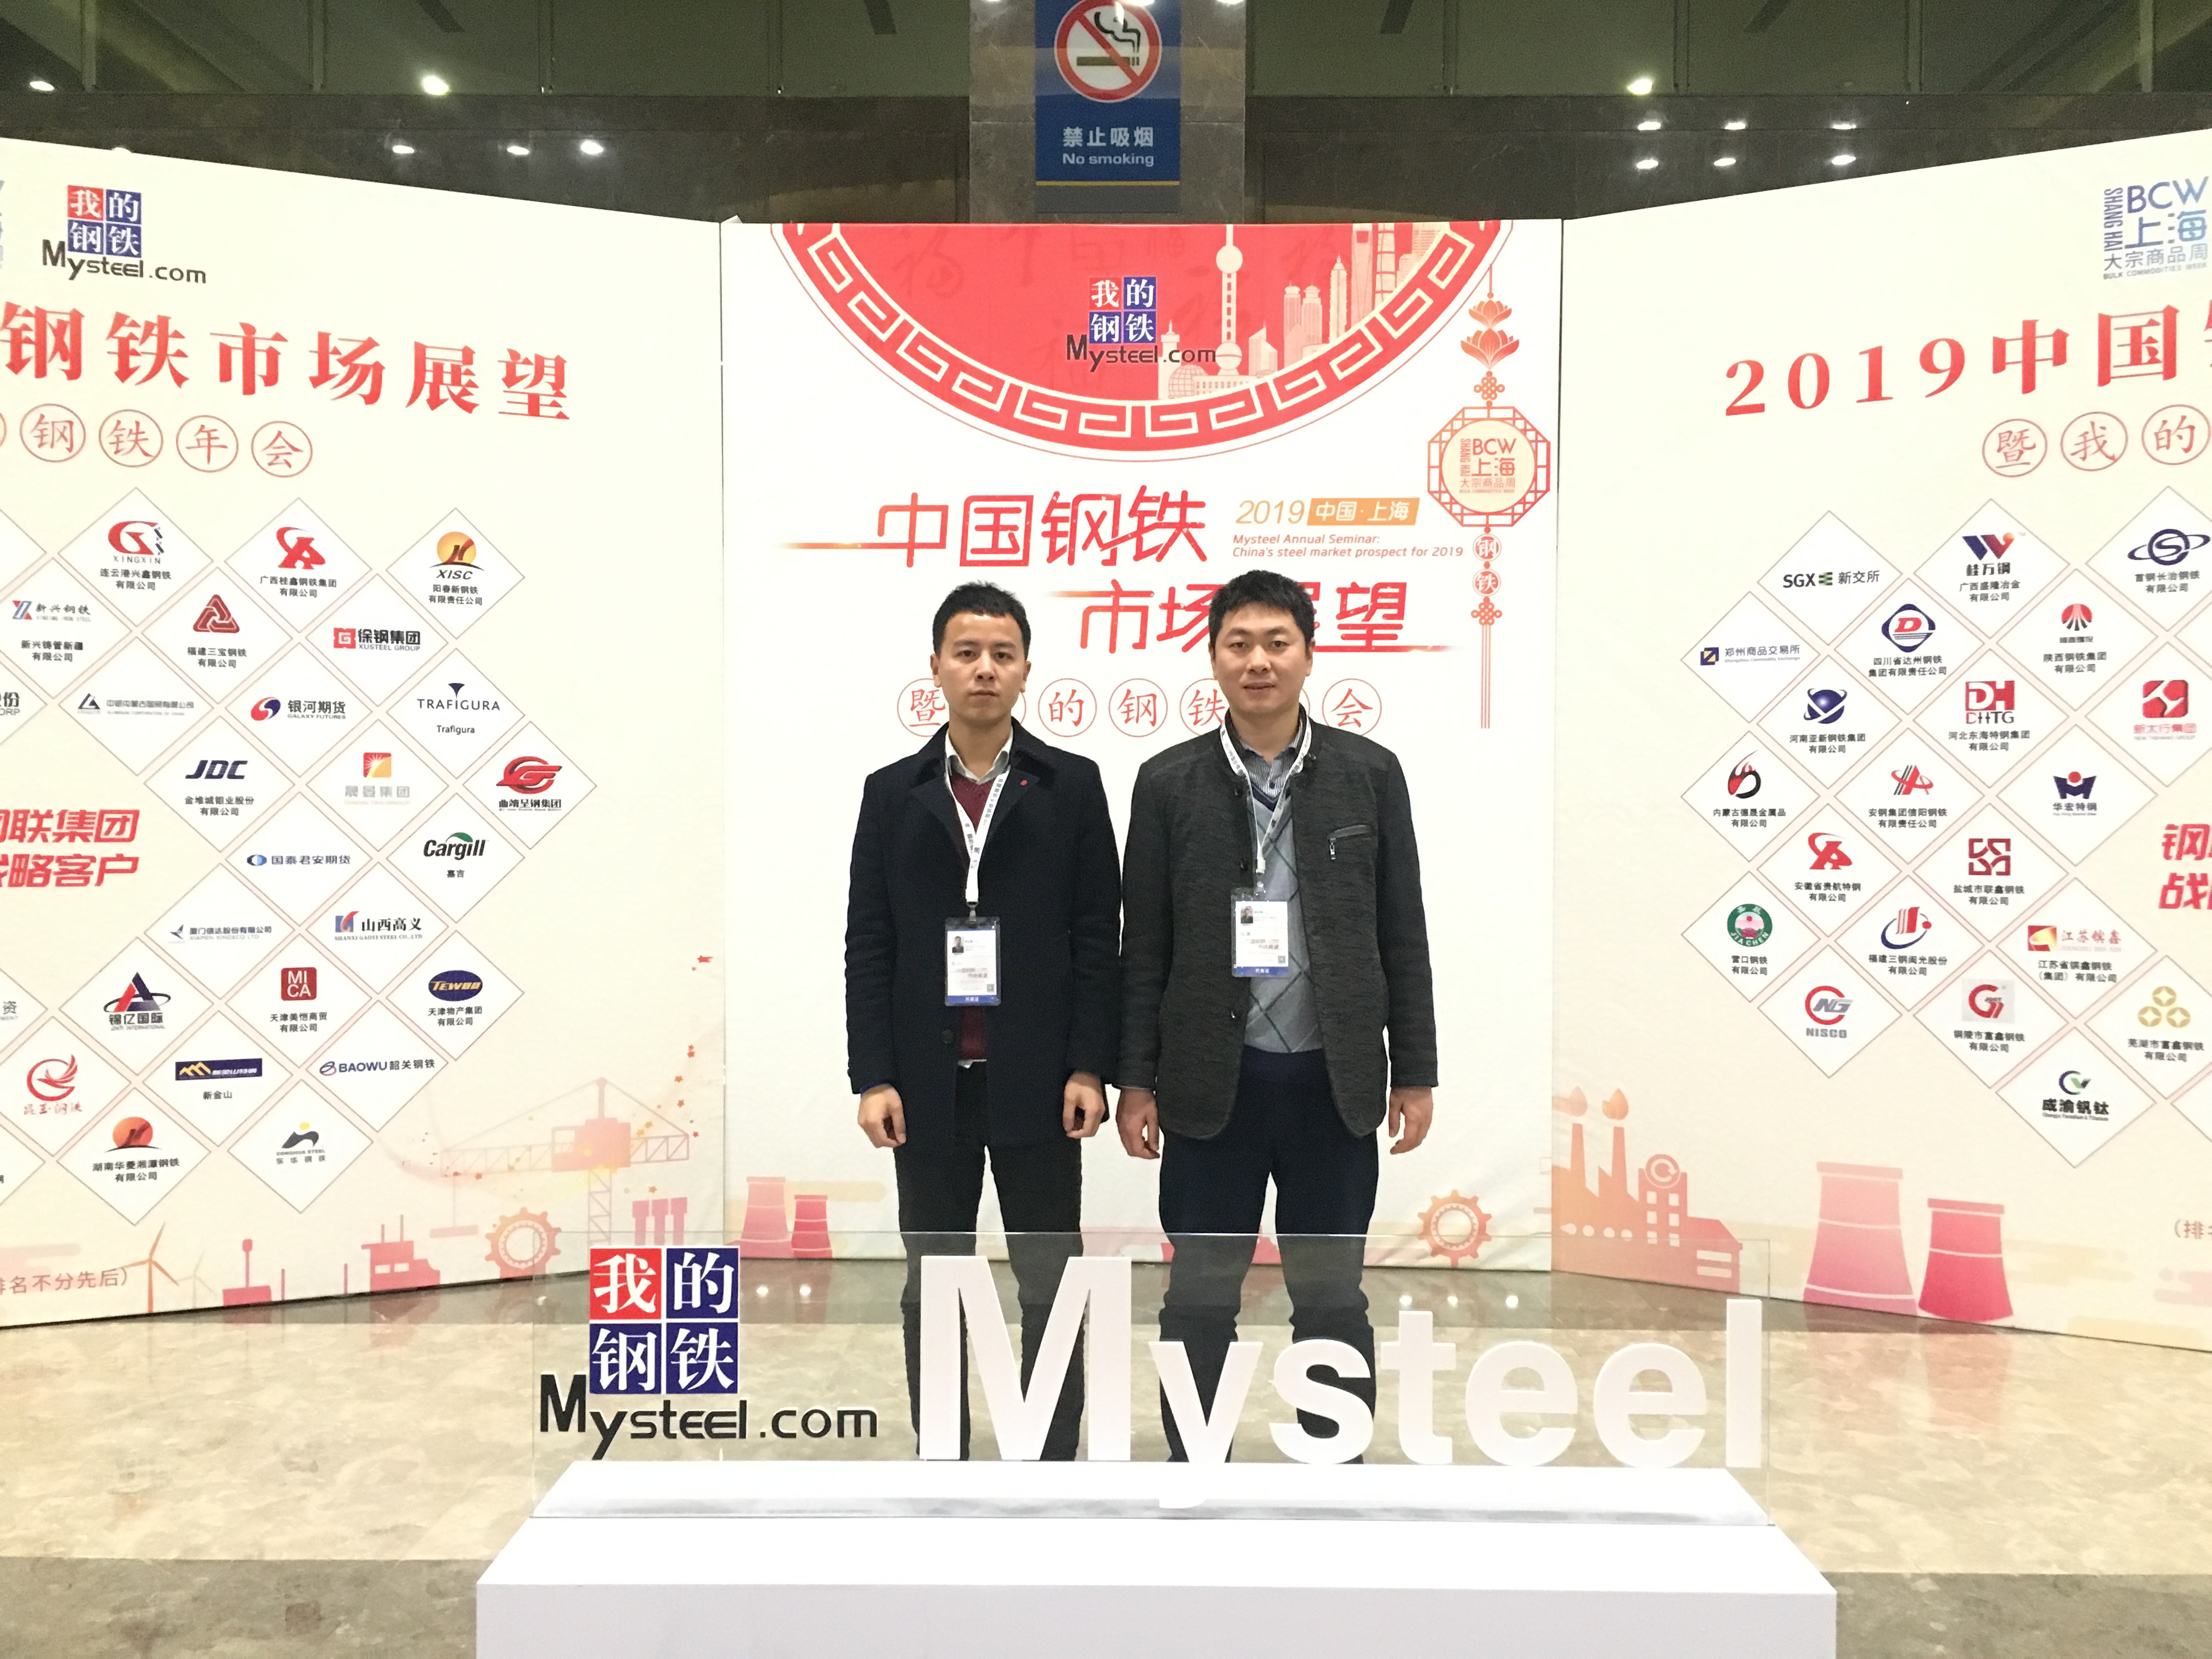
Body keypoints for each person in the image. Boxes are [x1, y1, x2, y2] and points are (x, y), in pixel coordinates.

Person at [1116, 568, 1436, 1460]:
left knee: (1331, 1295)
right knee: (1200, 1296)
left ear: (1308, 654)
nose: (1258, 660)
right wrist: (1134, 1080)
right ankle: (1195, 1469)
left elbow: (1401, 929)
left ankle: (1334, 1468)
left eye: (1276, 643)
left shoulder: (1369, 774)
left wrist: (1415, 1069)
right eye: (1239, 644)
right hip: (1209, 1086)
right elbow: (1144, 946)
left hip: (1333, 1085)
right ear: (1214, 657)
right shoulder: (1167, 782)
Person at [845, 581, 1121, 1458]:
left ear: (1027, 670)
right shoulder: (892, 793)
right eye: (966, 653)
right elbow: (870, 944)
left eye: (1002, 654)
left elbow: (1098, 938)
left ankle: (1052, 1454)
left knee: (1051, 1279)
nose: (984, 670)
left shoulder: (1071, 786)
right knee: (934, 1282)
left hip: (1040, 1081)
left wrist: (1090, 1067)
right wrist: (874, 1077)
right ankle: (943, 1456)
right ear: (935, 667)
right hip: (927, 1088)